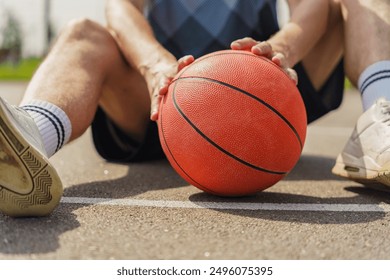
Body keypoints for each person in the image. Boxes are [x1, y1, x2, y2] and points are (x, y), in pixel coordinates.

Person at [0, 0, 389, 217]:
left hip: (265, 91)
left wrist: (280, 49)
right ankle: (29, 139)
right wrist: (156, 67)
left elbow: (312, 4)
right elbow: (120, 7)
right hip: (163, 96)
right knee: (83, 32)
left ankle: (382, 122)